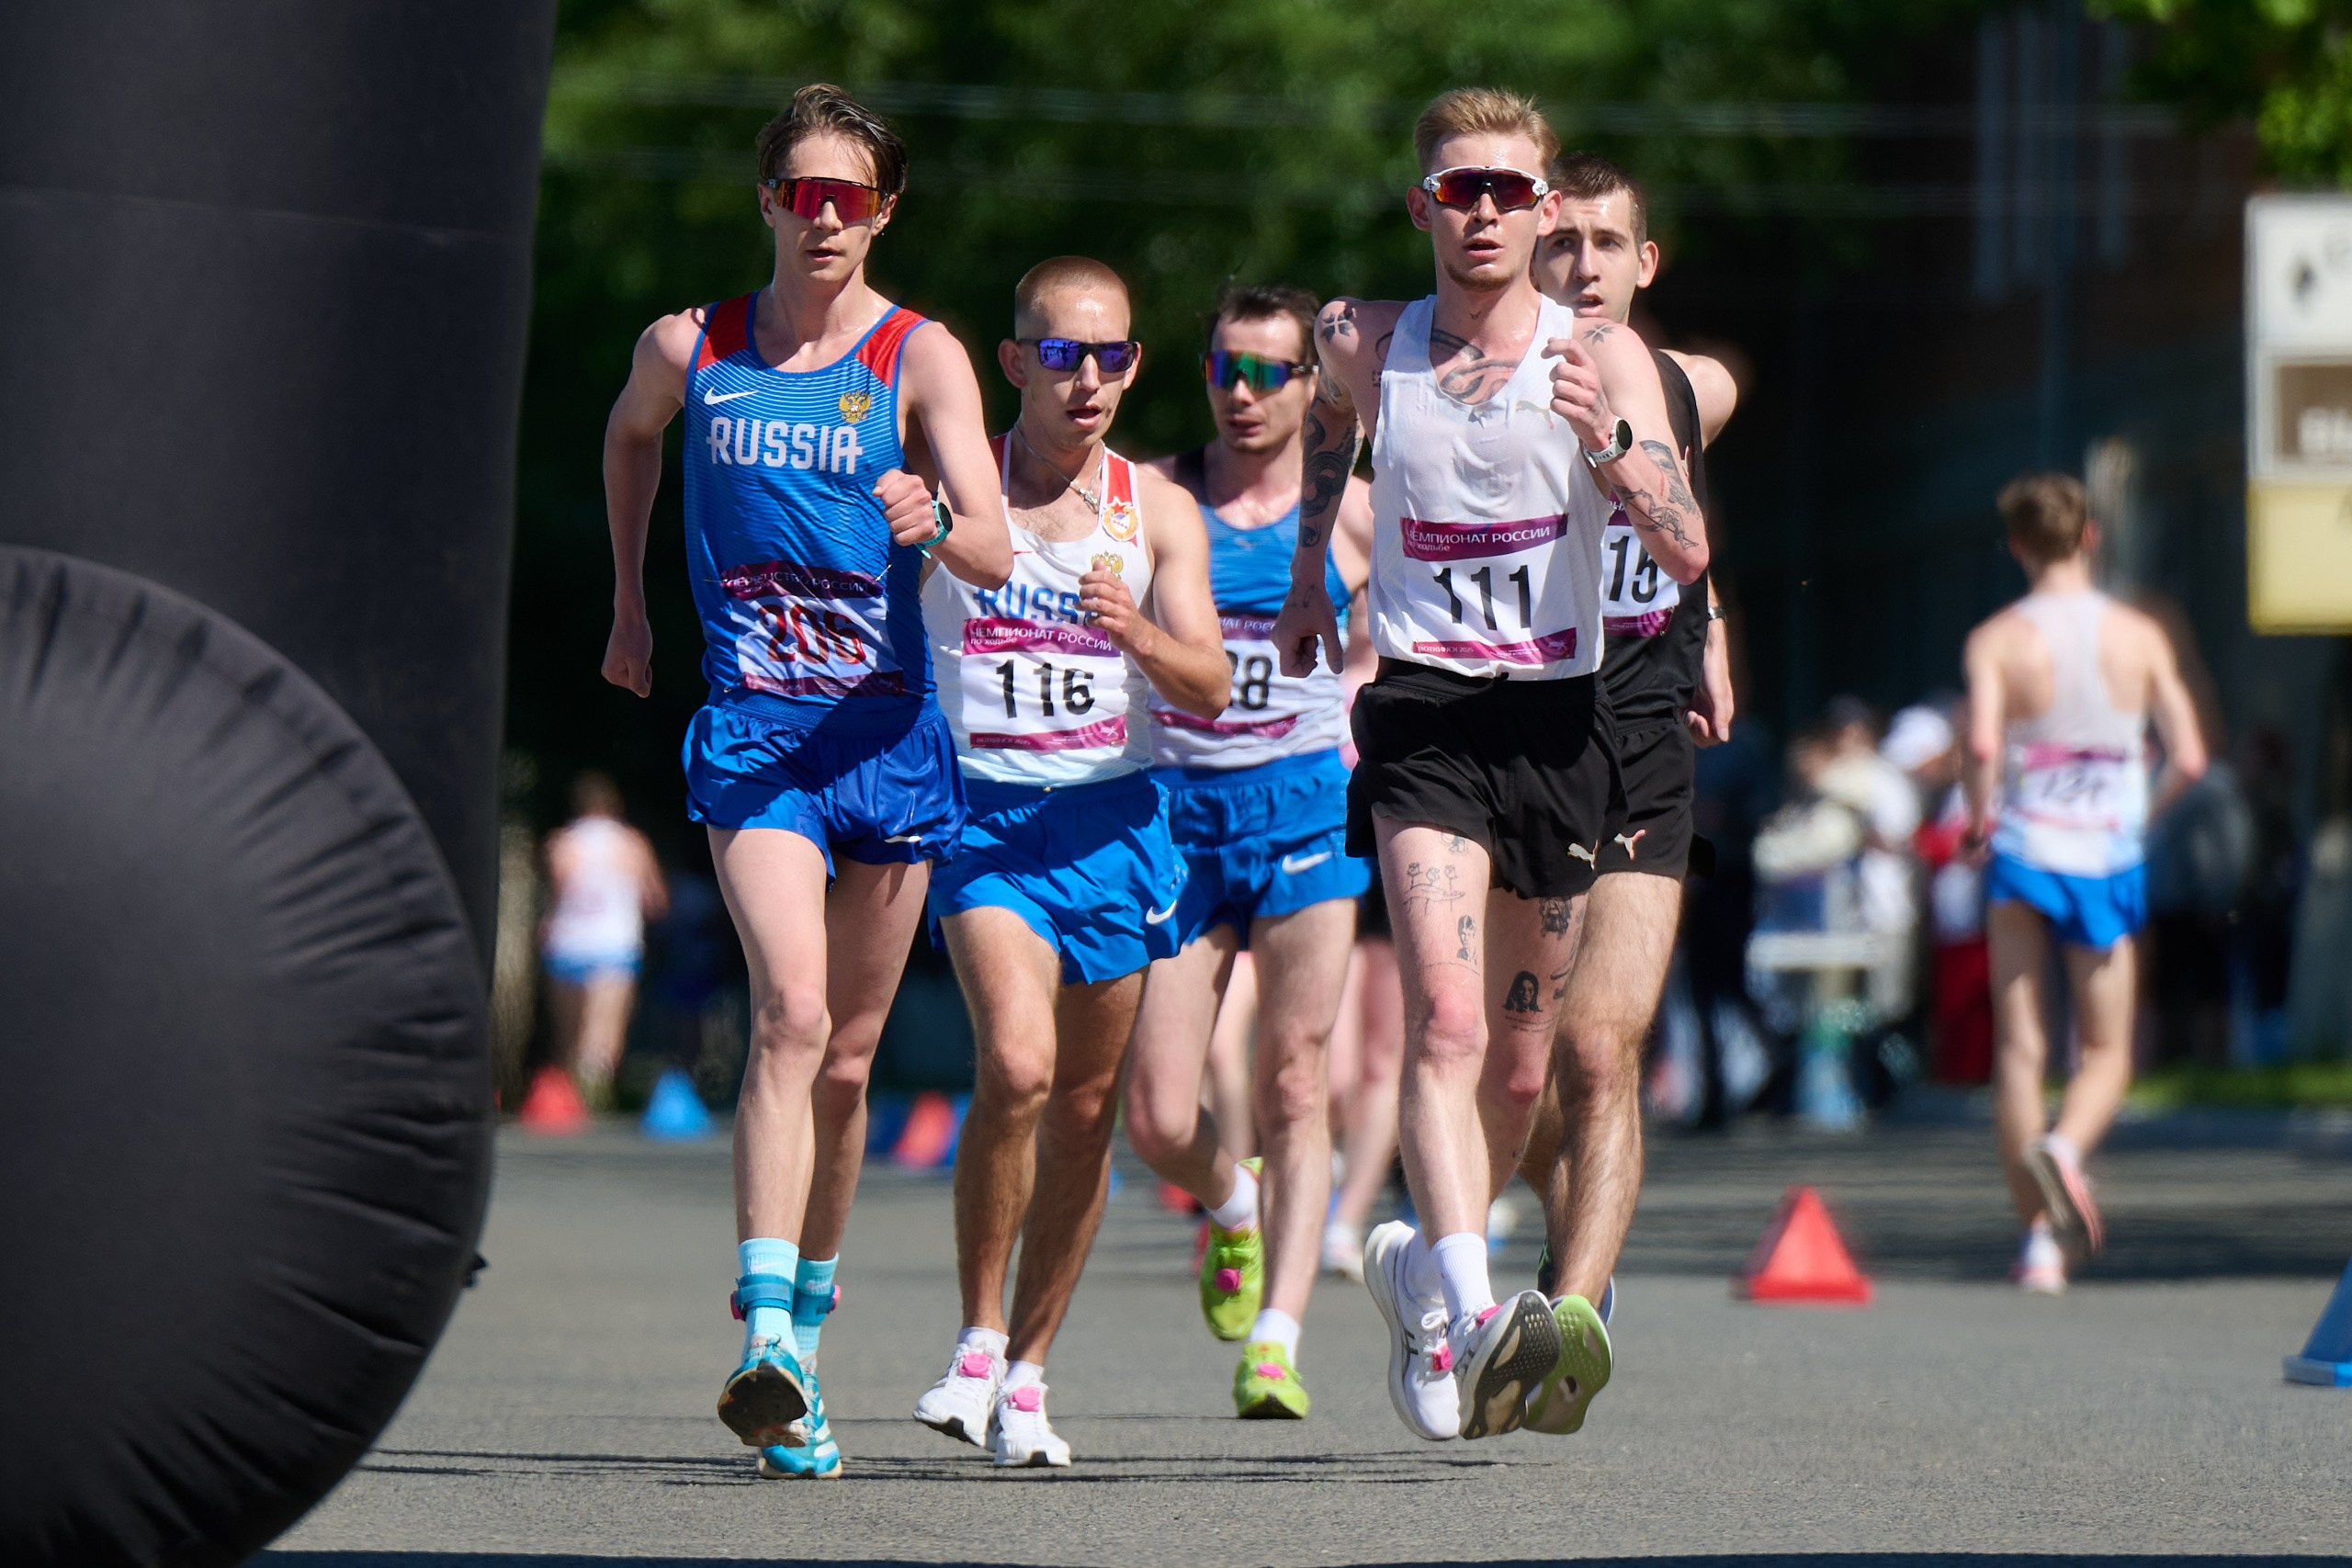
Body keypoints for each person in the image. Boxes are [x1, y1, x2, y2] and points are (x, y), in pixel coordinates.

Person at [1272, 88, 1709, 1442]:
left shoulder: (1603, 357)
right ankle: (1465, 1309)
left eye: (1511, 193)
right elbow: (1329, 437)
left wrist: (1615, 445)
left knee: (1523, 1072)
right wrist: (1306, 570)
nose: (1485, 212)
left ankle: (1409, 1258)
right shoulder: (1364, 337)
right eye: (1460, 189)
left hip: (1559, 725)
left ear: (1544, 211)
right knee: (1447, 1025)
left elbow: (1687, 548)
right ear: (1423, 205)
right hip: (1424, 719)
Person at [599, 84, 1012, 1482]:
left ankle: (807, 1357)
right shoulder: (692, 345)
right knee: (790, 1006)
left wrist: (937, 516)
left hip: (887, 736)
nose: (826, 217)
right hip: (762, 730)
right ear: (767, 199)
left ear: (883, 209)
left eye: (854, 196)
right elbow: (630, 437)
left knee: (848, 1056)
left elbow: (1000, 547)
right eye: (804, 192)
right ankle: (762, 1328)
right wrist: (633, 605)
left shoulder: (922, 353)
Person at [910, 256, 1227, 1466]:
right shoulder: (955, 482)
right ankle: (977, 1338)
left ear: (1134, 364)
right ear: (1012, 364)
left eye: (1111, 355)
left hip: (1116, 819)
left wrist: (1135, 629)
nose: (1088, 377)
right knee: (1022, 1063)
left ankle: (1032, 1370)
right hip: (985, 818)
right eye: (1061, 353)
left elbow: (1207, 679)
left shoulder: (1157, 510)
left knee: (1090, 1111)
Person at [1508, 150, 1739, 1435]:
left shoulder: (1680, 382)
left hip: (1644, 725)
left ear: (1645, 263)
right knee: (1525, 1066)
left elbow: (1692, 476)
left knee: (1604, 1043)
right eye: (1564, 242)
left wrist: (1709, 626)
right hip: (1521, 727)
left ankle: (1581, 1308)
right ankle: (1561, 1247)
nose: (1584, 263)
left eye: (1608, 242)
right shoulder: (1486, 382)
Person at [1121, 282, 1375, 1418]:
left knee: (1292, 1073)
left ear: (1309, 387)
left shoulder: (1357, 512)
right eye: (1227, 368)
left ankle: (1276, 1339)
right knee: (1160, 1117)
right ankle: (1231, 1206)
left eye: (1271, 372)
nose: (1243, 393)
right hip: (1178, 812)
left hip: (1306, 811)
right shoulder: (1159, 497)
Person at [1962, 473, 2206, 1294]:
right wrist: (2143, 808)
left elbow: (1986, 746)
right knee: (2105, 1048)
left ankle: (2037, 1244)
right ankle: (2066, 1149)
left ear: (2017, 546)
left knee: (2021, 1047)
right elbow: (2193, 754)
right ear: (2091, 537)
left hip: (2025, 845)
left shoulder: (1997, 638)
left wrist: (1975, 819)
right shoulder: (2140, 633)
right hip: (2106, 850)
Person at [539, 772, 669, 1106]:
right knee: (603, 1029)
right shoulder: (633, 844)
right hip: (614, 944)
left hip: (567, 942)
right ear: (615, 806)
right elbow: (655, 900)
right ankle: (594, 1095)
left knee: (567, 1031)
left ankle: (567, 1100)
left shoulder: (561, 842)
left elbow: (557, 891)